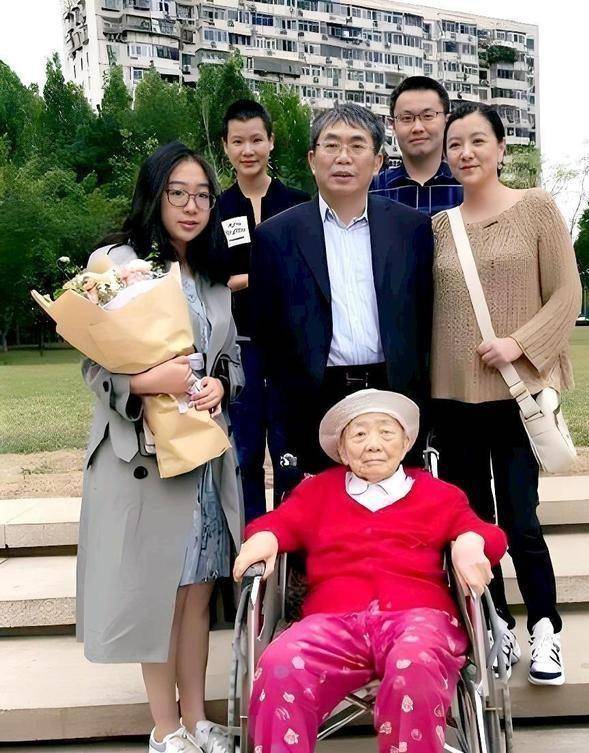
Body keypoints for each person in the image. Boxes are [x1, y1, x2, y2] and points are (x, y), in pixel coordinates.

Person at [76, 142, 244, 753]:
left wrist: (222, 382)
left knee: (197, 593)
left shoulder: (212, 273)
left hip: (202, 455)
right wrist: (151, 381)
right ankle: (165, 728)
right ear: (155, 195)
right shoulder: (118, 264)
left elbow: (232, 357)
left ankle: (197, 720)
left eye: (203, 195)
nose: (192, 206)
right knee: (160, 593)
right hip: (145, 458)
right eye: (178, 193)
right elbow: (94, 367)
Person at [233, 389, 508, 753]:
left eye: (386, 432)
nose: (373, 444)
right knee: (280, 663)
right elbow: (277, 524)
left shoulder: (438, 494)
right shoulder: (317, 492)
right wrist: (264, 538)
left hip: (418, 618)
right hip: (331, 620)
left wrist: (470, 542)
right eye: (359, 434)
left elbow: (488, 534)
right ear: (342, 449)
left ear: (406, 443)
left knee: (415, 664)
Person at [431, 103, 582, 686]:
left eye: (478, 141)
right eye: (456, 144)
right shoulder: (439, 228)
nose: (466, 153)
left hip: (518, 396)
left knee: (521, 517)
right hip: (454, 401)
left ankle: (546, 628)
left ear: (500, 148)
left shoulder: (536, 207)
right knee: (474, 523)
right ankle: (495, 626)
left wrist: (519, 344)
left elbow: (567, 295)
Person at [250, 103, 434, 478]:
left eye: (357, 145)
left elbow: (426, 317)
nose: (343, 157)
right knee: (319, 508)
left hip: (392, 395)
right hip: (312, 400)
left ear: (378, 161)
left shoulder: (411, 229)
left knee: (395, 507)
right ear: (312, 159)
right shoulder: (275, 236)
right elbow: (265, 332)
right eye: (331, 145)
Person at [218, 99, 310, 521]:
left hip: (292, 351)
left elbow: (309, 275)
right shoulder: (215, 209)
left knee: (292, 457)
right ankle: (251, 547)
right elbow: (211, 280)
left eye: (256, 139)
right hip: (239, 350)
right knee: (245, 456)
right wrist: (255, 278)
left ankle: (293, 551)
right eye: (238, 141)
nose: (248, 150)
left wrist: (243, 278)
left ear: (271, 141)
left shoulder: (299, 204)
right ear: (226, 146)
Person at [371, 76, 462, 214]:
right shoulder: (372, 190)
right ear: (393, 125)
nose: (417, 128)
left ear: (446, 121)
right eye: (406, 118)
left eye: (428, 116)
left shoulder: (469, 186)